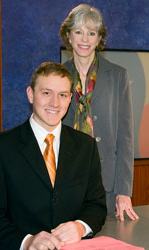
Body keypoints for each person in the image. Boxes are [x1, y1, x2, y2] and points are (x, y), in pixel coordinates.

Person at [0, 62, 107, 250]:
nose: (55, 103)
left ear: (70, 99)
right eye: (46, 93)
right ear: (30, 94)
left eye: (62, 95)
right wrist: (26, 241)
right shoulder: (0, 147)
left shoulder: (86, 145)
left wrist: (81, 226)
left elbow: (97, 206)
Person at [60, 4, 138, 221]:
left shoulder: (118, 76)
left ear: (98, 38)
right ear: (68, 35)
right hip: (65, 180)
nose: (85, 39)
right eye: (78, 32)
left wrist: (124, 190)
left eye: (91, 33)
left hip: (106, 183)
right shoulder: (56, 75)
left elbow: (125, 136)